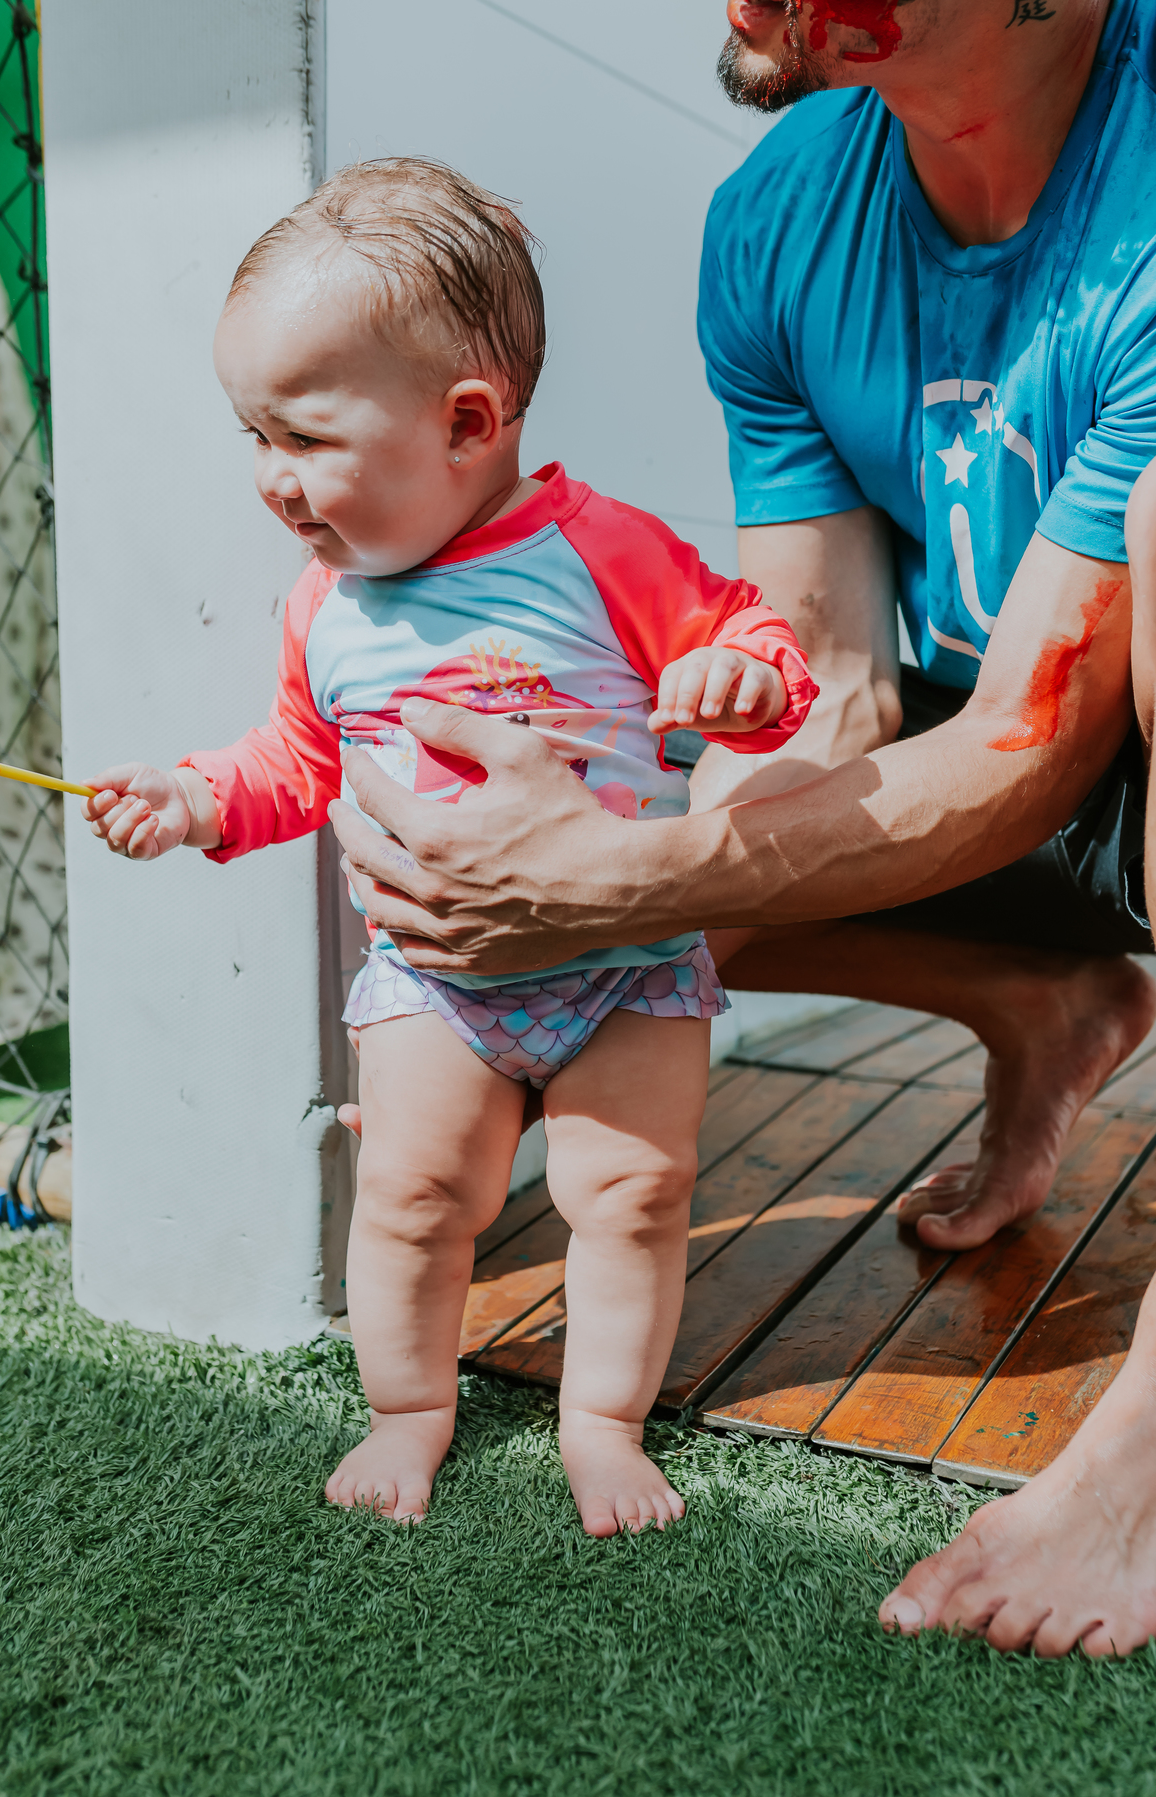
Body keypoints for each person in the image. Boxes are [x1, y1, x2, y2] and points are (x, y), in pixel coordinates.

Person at [322, 3, 1156, 1653]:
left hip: (1094, 736)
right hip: (1041, 760)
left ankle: (1146, 1454)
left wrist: (622, 883)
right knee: (662, 785)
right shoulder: (781, 214)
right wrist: (589, 904)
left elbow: (1039, 740)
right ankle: (1047, 1002)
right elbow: (829, 680)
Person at [78, 159, 818, 1536]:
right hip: (435, 981)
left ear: (467, 421)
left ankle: (601, 1423)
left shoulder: (606, 552)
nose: (270, 481)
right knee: (416, 1199)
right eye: (254, 436)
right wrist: (191, 798)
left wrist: (743, 677)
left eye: (300, 437)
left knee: (632, 1195)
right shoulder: (327, 608)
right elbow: (297, 762)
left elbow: (748, 626)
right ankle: (408, 1408)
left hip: (627, 966)